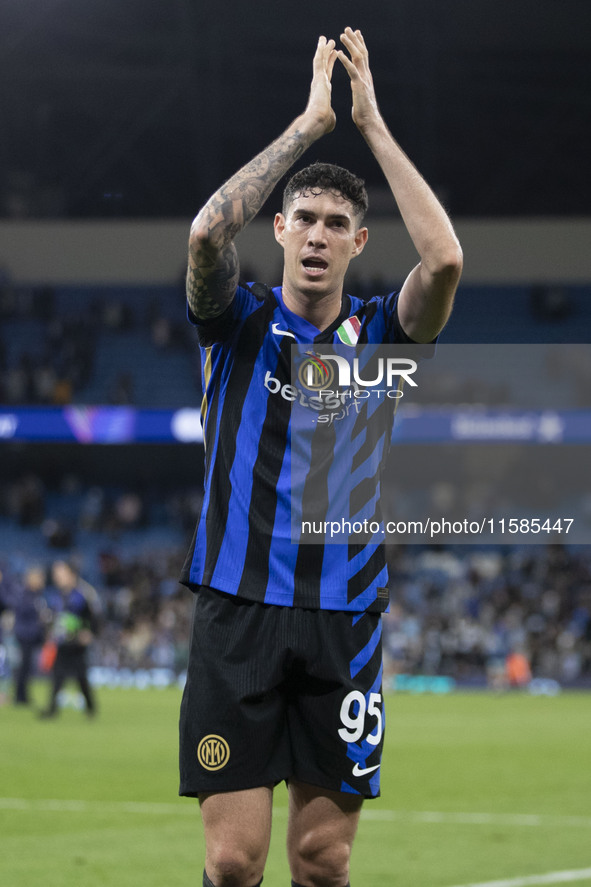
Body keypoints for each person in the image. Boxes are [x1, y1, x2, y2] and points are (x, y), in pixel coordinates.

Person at [178, 28, 462, 887]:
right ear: (281, 226)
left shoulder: (379, 337)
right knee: (232, 862)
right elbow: (201, 237)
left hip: (344, 618)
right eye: (303, 218)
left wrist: (370, 127)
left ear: (356, 244)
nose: (316, 234)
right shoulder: (239, 323)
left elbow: (444, 259)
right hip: (238, 611)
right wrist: (308, 127)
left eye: (337, 223)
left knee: (321, 859)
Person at [39, 560, 99, 718]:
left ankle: (91, 709)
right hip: (62, 642)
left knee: (81, 677)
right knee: (57, 675)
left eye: (60, 573)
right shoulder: (57, 596)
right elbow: (53, 618)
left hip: (77, 644)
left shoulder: (83, 595)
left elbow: (94, 617)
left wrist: (89, 633)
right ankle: (51, 710)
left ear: (71, 575)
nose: (56, 577)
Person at [13, 565, 47, 705]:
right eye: (39, 578)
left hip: (31, 635)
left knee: (28, 667)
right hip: (25, 635)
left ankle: (23, 695)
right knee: (24, 666)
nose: (42, 581)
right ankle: (20, 696)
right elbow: (23, 613)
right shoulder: (25, 595)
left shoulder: (36, 595)